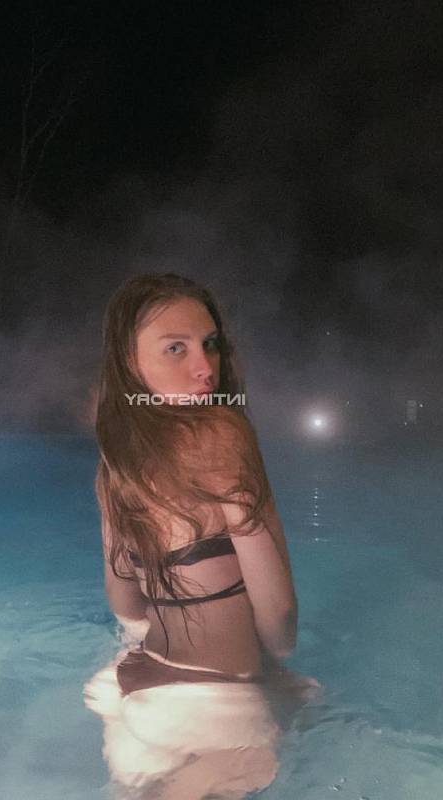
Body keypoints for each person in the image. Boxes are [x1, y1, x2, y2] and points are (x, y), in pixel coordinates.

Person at [83, 273, 321, 799]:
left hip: (132, 684)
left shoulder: (115, 462)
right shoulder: (222, 435)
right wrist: (270, 668)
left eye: (209, 344)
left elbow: (125, 603)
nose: (205, 367)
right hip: (217, 710)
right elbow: (280, 616)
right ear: (130, 362)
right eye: (176, 348)